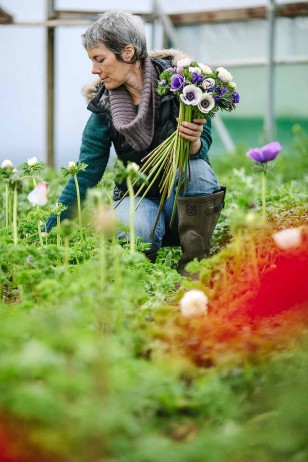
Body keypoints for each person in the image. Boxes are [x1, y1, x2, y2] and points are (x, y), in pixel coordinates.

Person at [45, 10, 226, 274]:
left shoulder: (185, 87)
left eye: (99, 59)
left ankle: (193, 269)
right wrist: (52, 228)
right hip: (138, 199)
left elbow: (203, 146)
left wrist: (194, 143)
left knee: (194, 168)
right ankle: (145, 279)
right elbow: (85, 174)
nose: (94, 70)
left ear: (128, 53)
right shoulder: (104, 107)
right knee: (132, 223)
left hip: (181, 203)